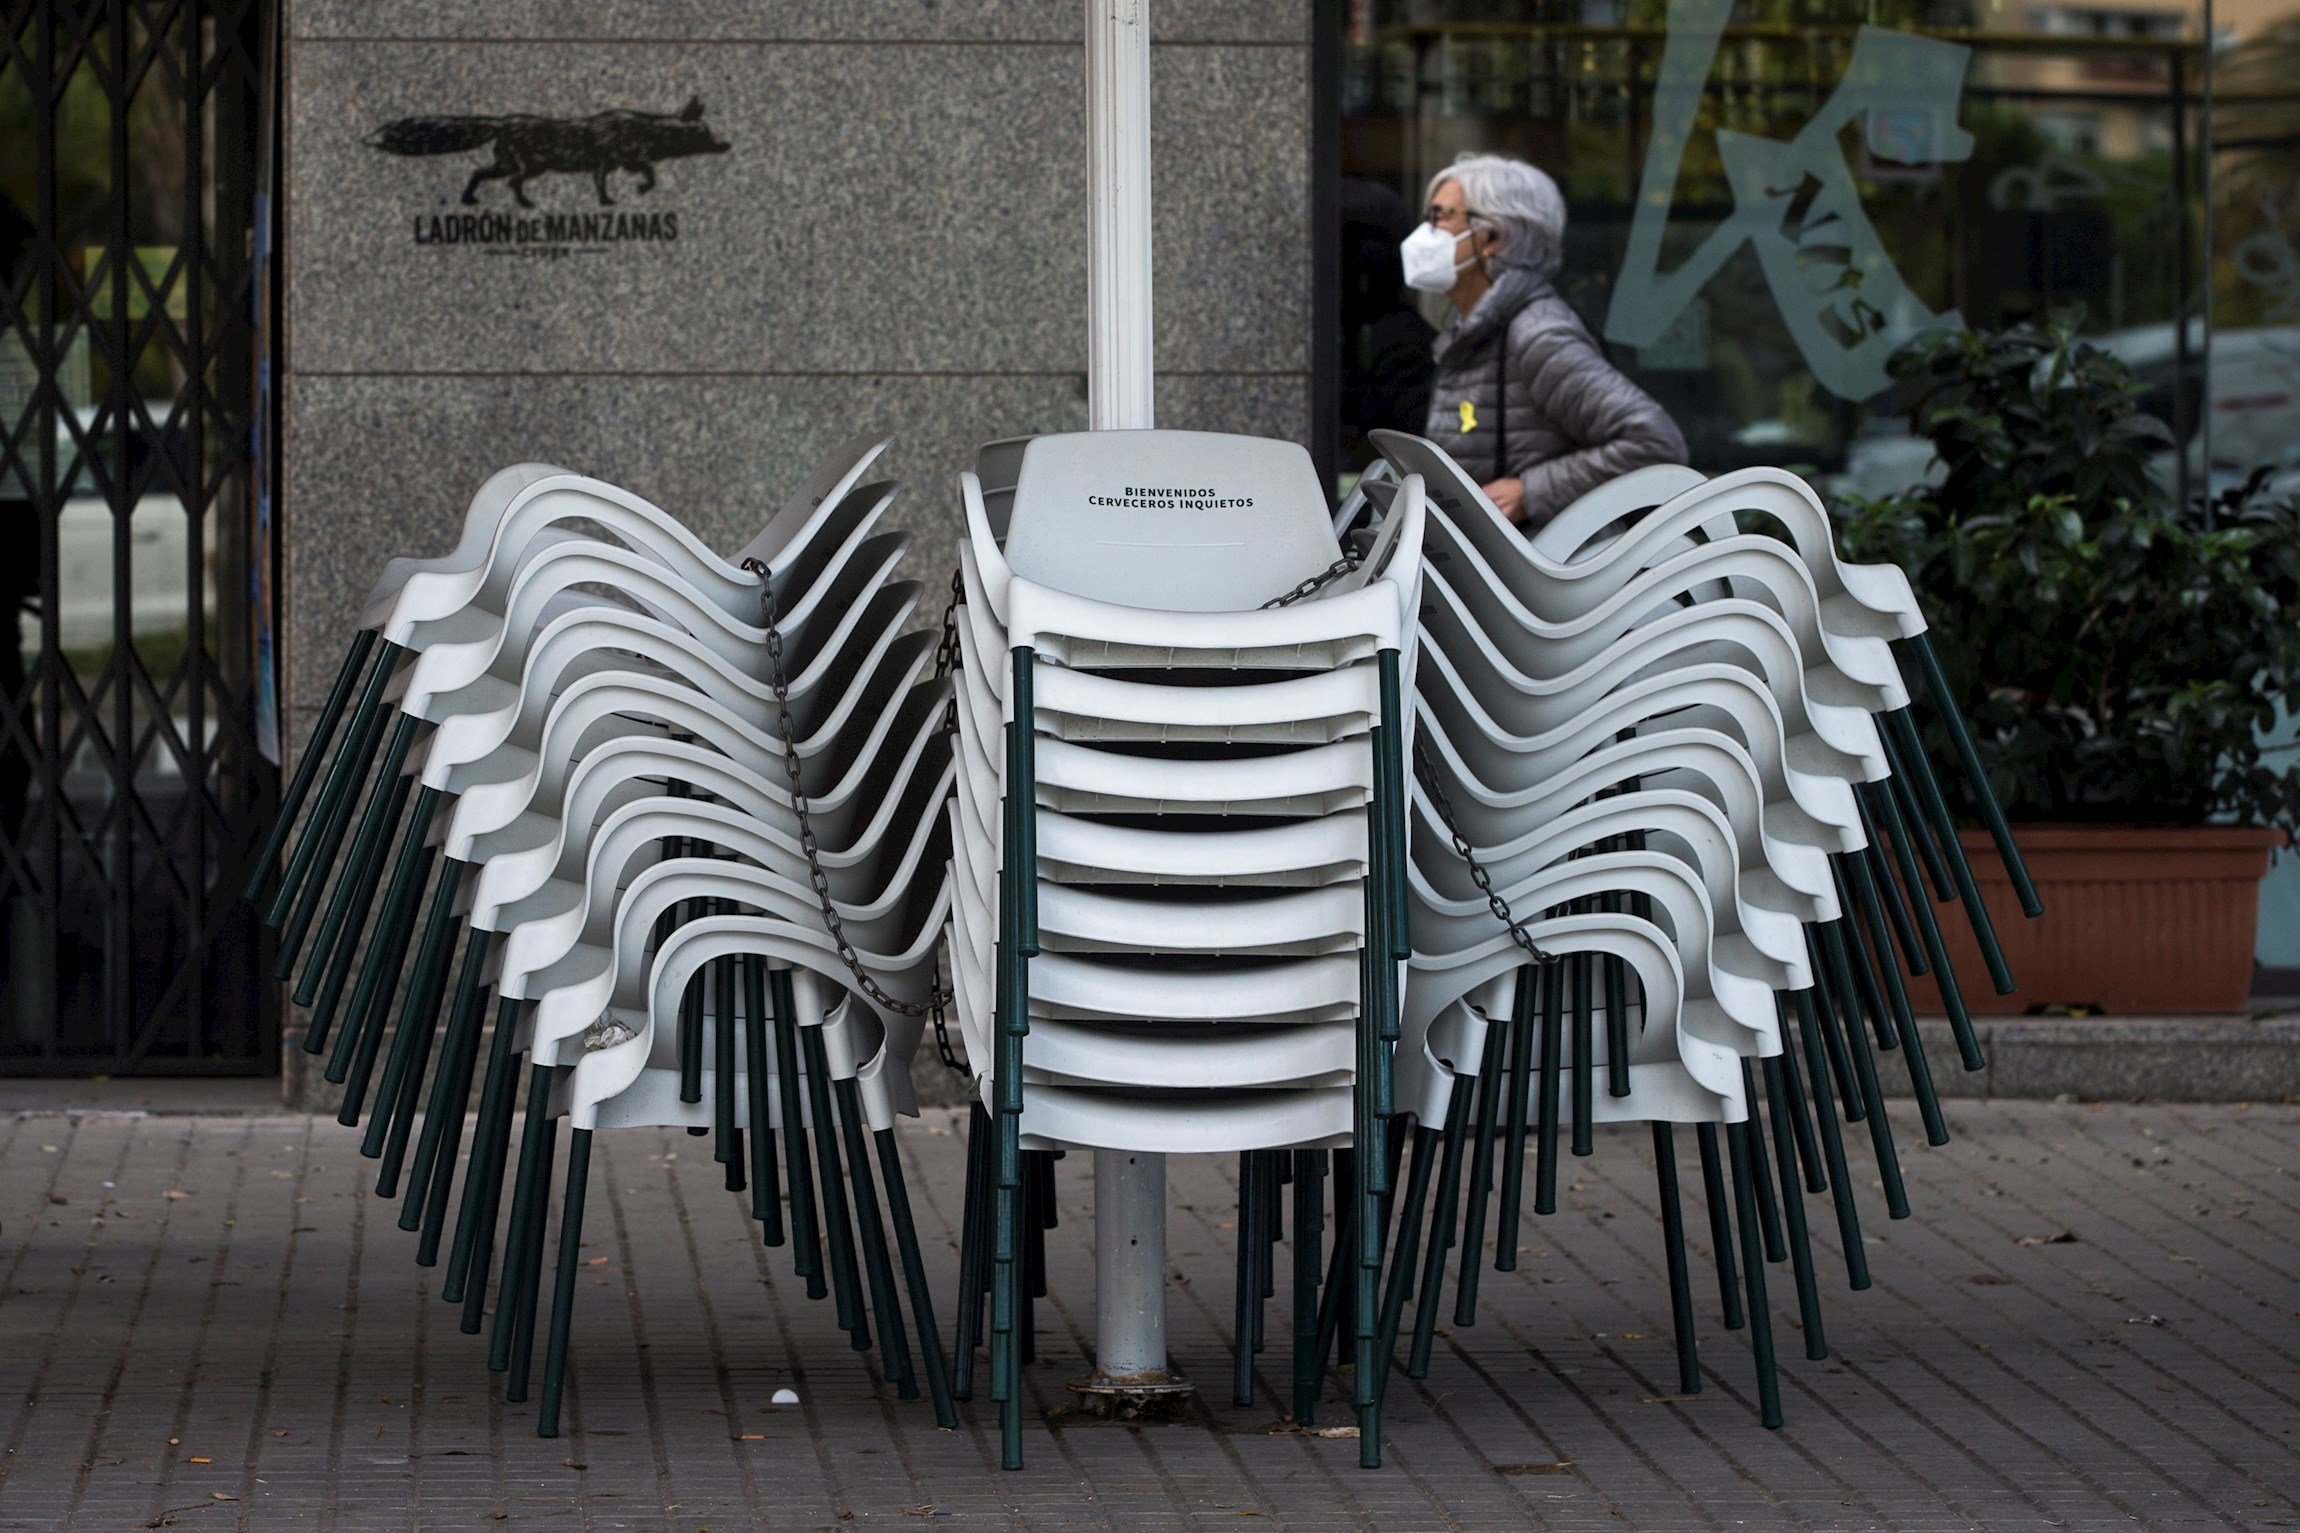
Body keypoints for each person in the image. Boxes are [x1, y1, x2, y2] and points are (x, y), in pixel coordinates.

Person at [1403, 153, 1686, 529]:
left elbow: (1655, 442)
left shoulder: (1536, 333)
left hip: (1543, 574)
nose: (1427, 232)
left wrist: (1530, 492)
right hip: (1498, 572)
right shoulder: (1478, 331)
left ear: (1492, 237)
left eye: (1440, 216)